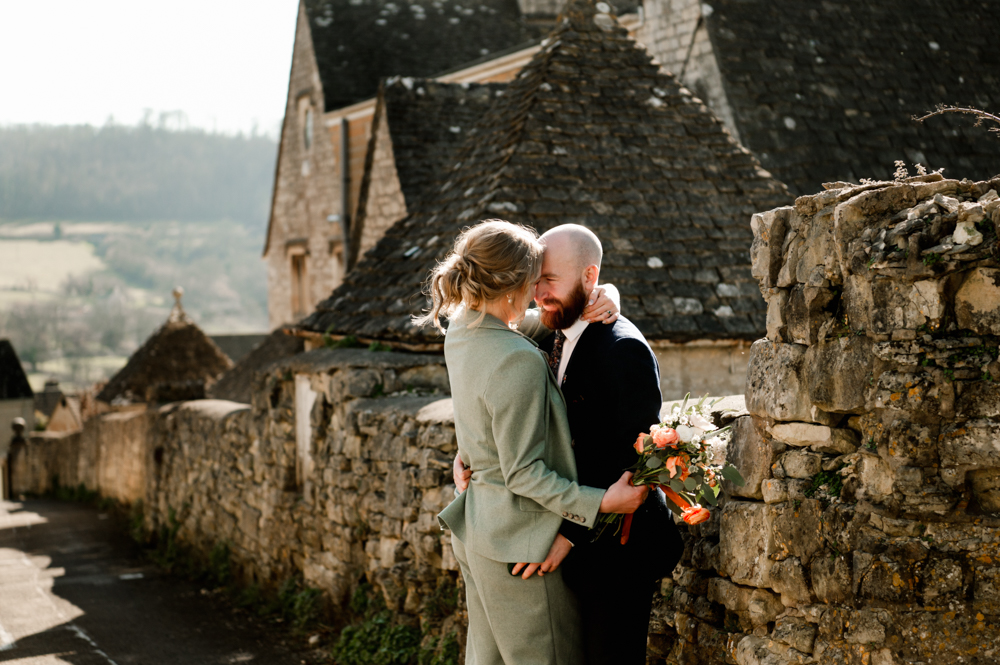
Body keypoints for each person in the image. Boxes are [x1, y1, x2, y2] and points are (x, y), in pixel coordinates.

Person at [418, 219, 648, 665]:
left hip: (477, 527)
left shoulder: (462, 328)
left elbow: (531, 328)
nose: (538, 293)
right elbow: (523, 473)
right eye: (534, 280)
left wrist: (603, 293)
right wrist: (603, 502)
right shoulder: (517, 359)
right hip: (518, 542)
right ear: (513, 286)